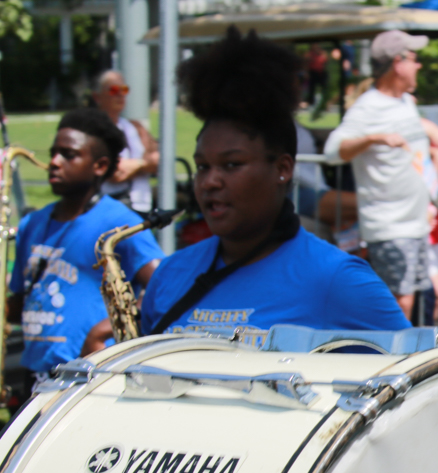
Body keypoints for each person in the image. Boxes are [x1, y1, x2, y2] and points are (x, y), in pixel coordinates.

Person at [140, 28, 408, 343]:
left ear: (282, 169)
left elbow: (420, 368)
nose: (210, 181)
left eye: (232, 164)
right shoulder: (170, 273)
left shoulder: (337, 279)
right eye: (202, 166)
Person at [9, 108, 162, 387]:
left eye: (68, 155)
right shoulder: (32, 223)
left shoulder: (119, 222)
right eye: (53, 153)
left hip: (89, 375)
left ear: (100, 166)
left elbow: (165, 287)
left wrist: (103, 331)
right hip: (33, 373)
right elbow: (18, 304)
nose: (54, 162)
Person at [324, 30, 433, 319]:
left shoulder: (405, 102)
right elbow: (332, 151)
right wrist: (374, 138)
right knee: (400, 304)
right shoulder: (367, 107)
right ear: (398, 63)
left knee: (420, 300)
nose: (418, 65)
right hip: (390, 227)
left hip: (417, 224)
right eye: (414, 58)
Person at [91, 70, 159, 214]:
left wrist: (136, 165)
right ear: (97, 97)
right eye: (114, 90)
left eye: (124, 90)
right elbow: (115, 172)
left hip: (141, 207)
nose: (120, 95)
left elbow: (160, 162)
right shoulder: (93, 130)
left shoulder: (135, 127)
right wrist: (145, 165)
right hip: (109, 209)